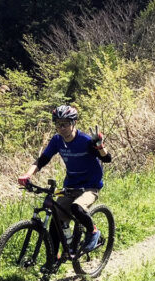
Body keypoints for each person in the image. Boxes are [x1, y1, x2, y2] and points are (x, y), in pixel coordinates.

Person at [18, 105, 112, 259]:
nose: (61, 128)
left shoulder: (85, 140)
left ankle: (93, 232)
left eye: (65, 124)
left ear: (73, 123)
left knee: (77, 208)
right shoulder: (57, 141)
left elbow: (107, 159)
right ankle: (55, 258)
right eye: (58, 124)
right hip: (70, 186)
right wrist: (27, 175)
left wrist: (100, 146)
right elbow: (43, 160)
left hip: (90, 186)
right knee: (56, 219)